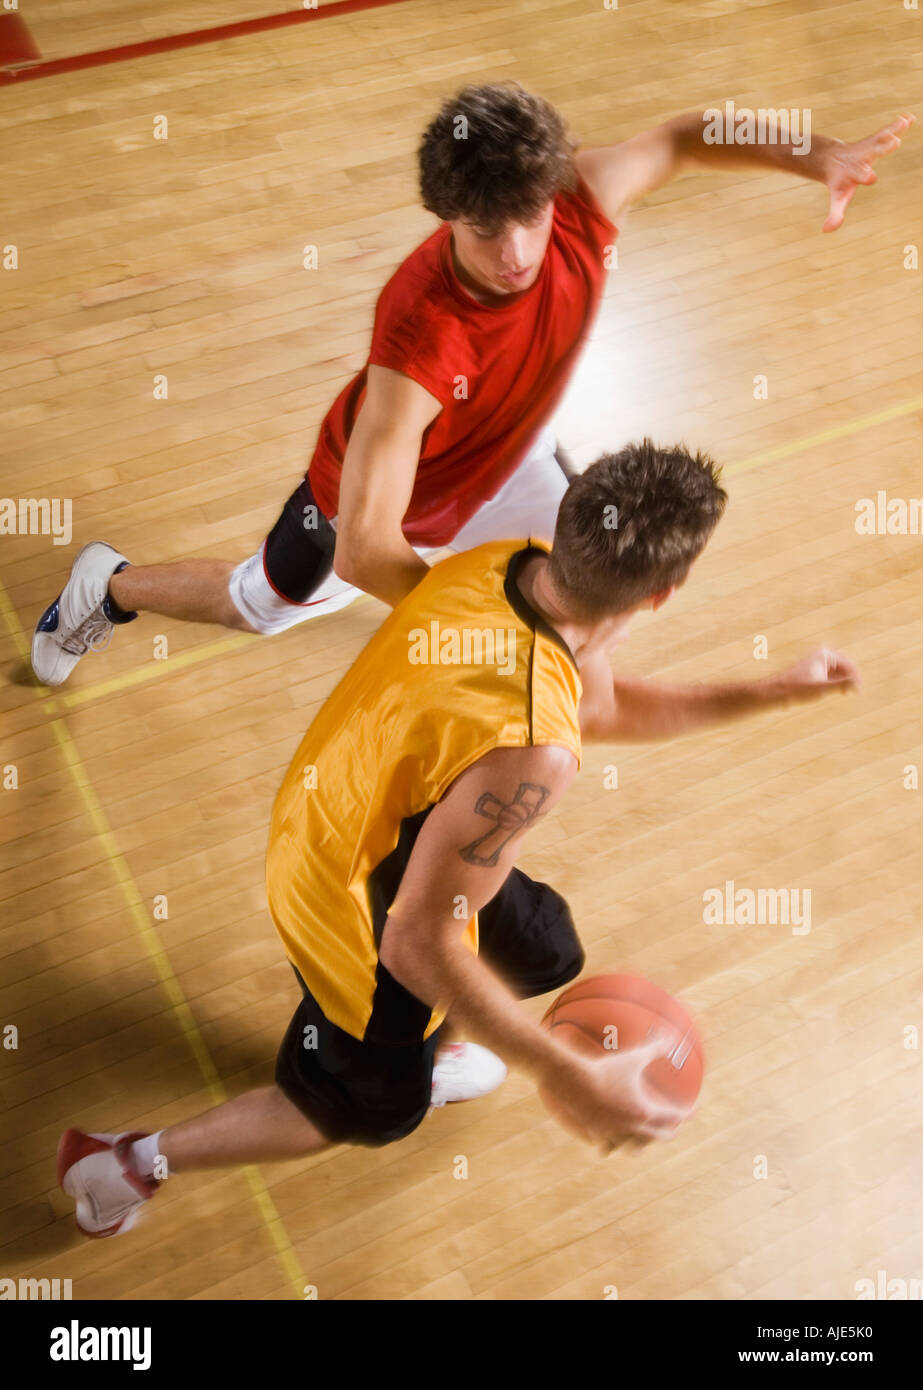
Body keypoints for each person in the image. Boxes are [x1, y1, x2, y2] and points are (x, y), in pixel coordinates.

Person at [57, 439, 859, 1237]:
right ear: (662, 595)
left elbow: (602, 709)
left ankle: (428, 1046)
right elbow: (414, 944)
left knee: (543, 946)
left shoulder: (508, 562)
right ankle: (122, 1162)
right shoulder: (530, 750)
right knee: (361, 1109)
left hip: (356, 809)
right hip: (346, 895)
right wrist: (567, 1073)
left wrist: (773, 692)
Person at [31, 86, 911, 685]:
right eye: (485, 231)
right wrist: (477, 631)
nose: (516, 253)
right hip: (382, 505)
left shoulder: (578, 198)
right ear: (446, 215)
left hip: (509, 457)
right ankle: (107, 586)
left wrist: (816, 153)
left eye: (527, 219)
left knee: (589, 570)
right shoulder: (420, 336)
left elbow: (682, 138)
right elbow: (366, 550)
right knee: (253, 606)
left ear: (551, 189)